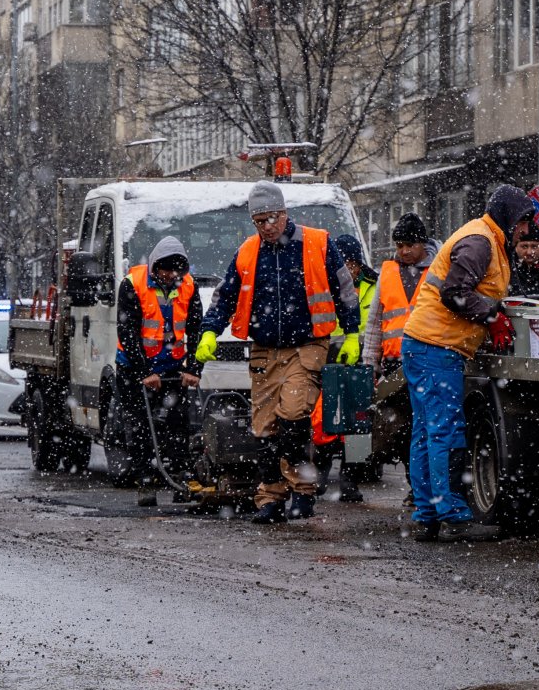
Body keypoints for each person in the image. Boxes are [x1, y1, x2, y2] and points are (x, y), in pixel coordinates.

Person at [196, 181, 361, 524]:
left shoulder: (318, 243)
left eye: (271, 218)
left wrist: (352, 333)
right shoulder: (247, 252)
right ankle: (271, 497)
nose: (267, 227)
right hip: (265, 350)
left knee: (294, 415)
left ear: (285, 214)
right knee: (264, 428)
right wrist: (210, 330)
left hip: (307, 345)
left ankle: (302, 490)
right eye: (259, 221)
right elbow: (225, 296)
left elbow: (344, 289)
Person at [400, 184, 533, 543]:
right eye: (523, 222)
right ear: (509, 217)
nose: (525, 231)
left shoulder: (484, 238)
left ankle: (427, 514)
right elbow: (455, 293)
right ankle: (451, 512)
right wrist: (492, 317)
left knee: (427, 432)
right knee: (444, 430)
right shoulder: (480, 242)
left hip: (423, 345)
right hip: (436, 348)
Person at [113, 236, 204, 507]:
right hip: (134, 368)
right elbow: (127, 331)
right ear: (155, 267)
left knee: (178, 424)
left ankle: (180, 478)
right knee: (140, 425)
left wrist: (194, 368)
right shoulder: (133, 284)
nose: (171, 276)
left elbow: (196, 330)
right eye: (166, 270)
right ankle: (145, 480)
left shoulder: (188, 286)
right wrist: (144, 371)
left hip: (171, 367)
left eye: (176, 271)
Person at [312, 233, 377, 503]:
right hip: (329, 361)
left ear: (359, 264)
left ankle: (351, 479)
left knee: (358, 425)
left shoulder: (374, 286)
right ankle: (321, 473)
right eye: (343, 263)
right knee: (324, 421)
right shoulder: (323, 286)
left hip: (361, 363)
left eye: (351, 263)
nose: (348, 269)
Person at [362, 213, 439, 378]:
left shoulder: (438, 270)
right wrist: (370, 364)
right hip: (393, 362)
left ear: (422, 243)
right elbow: (374, 322)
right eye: (399, 245)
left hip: (429, 359)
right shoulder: (388, 272)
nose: (404, 251)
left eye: (410, 245)